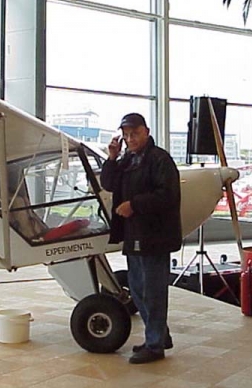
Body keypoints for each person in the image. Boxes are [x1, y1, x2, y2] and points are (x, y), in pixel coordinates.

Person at [100, 113, 182, 364]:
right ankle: (159, 336)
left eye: (134, 133)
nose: (130, 138)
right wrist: (112, 158)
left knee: (153, 292)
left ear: (146, 131)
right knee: (137, 290)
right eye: (126, 135)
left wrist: (134, 205)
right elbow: (109, 183)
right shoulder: (128, 159)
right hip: (134, 234)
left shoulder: (159, 159)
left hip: (154, 236)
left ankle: (155, 346)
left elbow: (168, 195)